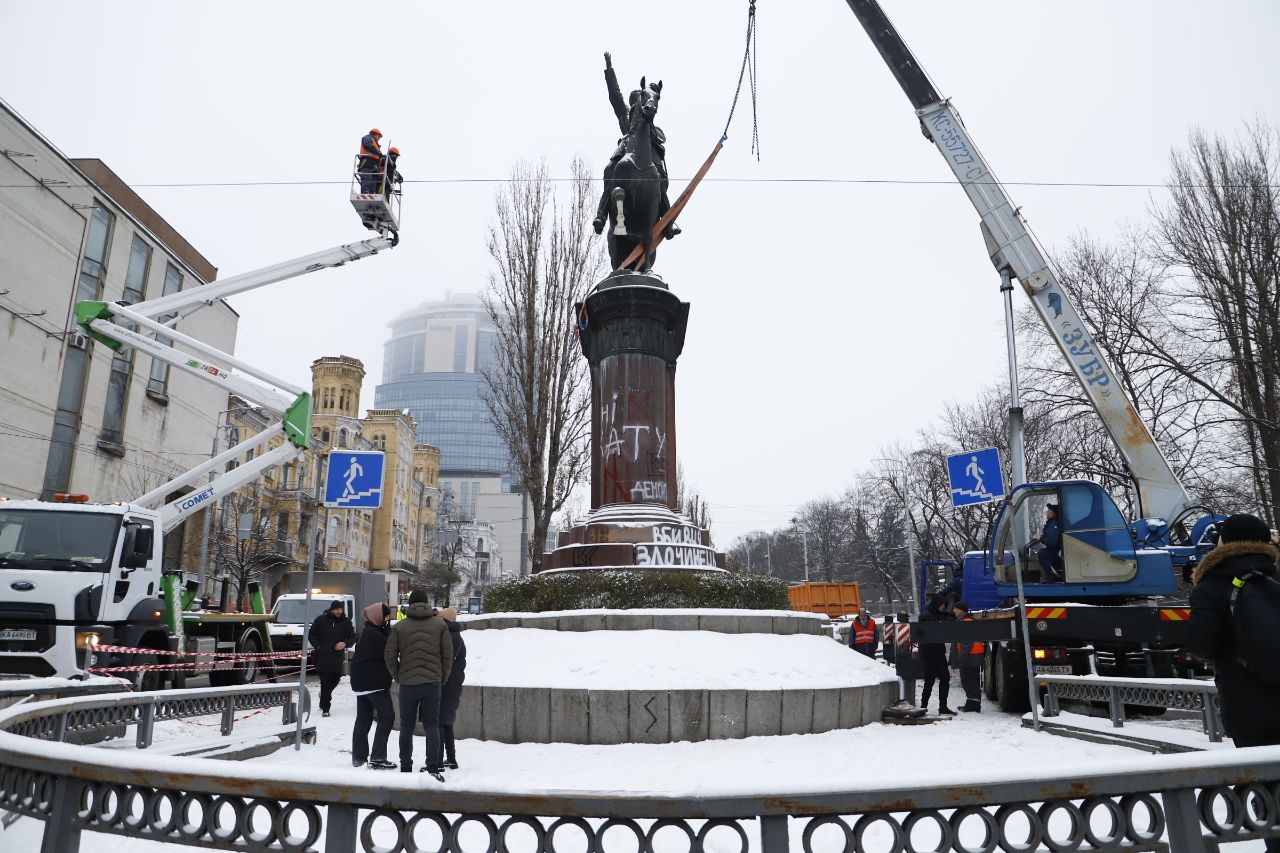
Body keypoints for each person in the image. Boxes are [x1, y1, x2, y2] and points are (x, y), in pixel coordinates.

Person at [1189, 511, 1280, 844]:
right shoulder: (1276, 577)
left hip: (1249, 711)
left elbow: (1202, 646)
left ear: (1223, 542)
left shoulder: (1210, 586)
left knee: (1268, 795)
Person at [593, 51, 679, 239]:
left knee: (661, 179)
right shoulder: (626, 115)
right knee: (610, 170)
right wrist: (609, 69)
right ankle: (601, 214)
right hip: (626, 148)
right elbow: (615, 96)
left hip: (647, 154)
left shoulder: (651, 125)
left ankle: (668, 222)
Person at [385, 588, 452, 779]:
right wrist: (443, 676)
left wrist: (398, 675)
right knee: (432, 725)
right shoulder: (440, 625)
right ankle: (432, 766)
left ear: (410, 604)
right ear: (427, 603)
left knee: (406, 726)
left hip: (408, 684)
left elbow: (389, 655)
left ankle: (406, 765)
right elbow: (447, 654)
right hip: (432, 683)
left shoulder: (399, 627)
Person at [350, 603, 396, 770]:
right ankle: (377, 757)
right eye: (386, 616)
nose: (388, 619)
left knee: (363, 719)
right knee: (387, 716)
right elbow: (388, 653)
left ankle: (359, 757)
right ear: (378, 617)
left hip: (360, 684)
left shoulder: (366, 632)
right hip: (374, 683)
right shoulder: (374, 635)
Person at [308, 600, 356, 717]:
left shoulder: (346, 622)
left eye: (341, 609)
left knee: (335, 679)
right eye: (337, 609)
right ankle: (326, 708)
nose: (339, 611)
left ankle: (324, 695)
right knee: (325, 682)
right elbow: (311, 634)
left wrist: (345, 643)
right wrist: (318, 646)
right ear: (332, 609)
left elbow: (353, 636)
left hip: (337, 657)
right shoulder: (321, 620)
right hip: (322, 656)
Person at [437, 607, 467, 770]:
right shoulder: (455, 635)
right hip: (452, 685)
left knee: (440, 722)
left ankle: (439, 760)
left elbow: (445, 661)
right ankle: (451, 759)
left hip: (446, 685)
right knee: (446, 723)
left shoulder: (450, 636)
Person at [918, 595, 955, 715]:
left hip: (939, 651)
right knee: (930, 680)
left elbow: (949, 620)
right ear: (937, 604)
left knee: (945, 678)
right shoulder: (925, 616)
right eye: (942, 604)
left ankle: (943, 707)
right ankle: (923, 706)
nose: (944, 607)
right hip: (928, 653)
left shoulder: (939, 614)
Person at [950, 601, 985, 712]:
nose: (953, 611)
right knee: (969, 681)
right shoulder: (965, 621)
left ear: (960, 610)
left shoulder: (966, 622)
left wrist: (960, 659)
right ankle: (971, 703)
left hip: (969, 657)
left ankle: (974, 705)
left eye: (955, 608)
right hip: (971, 657)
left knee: (970, 681)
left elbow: (965, 644)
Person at [1037, 503, 1064, 582]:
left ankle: (1051, 576)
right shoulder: (1054, 522)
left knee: (1042, 553)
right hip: (1058, 550)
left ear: (1052, 513)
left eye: (1048, 510)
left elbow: (1052, 542)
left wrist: (1041, 538)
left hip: (1058, 551)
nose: (1047, 512)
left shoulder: (1053, 523)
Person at [357, 128, 384, 194]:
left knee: (372, 182)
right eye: (378, 136)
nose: (379, 138)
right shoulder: (368, 138)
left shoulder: (375, 143)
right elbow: (368, 145)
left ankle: (371, 194)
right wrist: (377, 152)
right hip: (367, 162)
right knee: (367, 178)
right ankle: (365, 193)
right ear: (374, 134)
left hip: (373, 164)